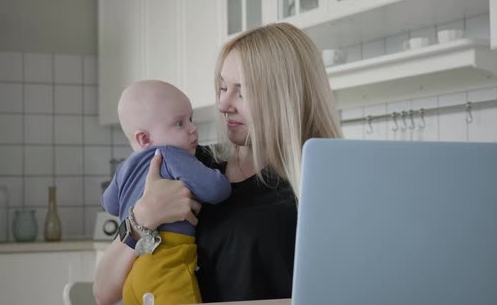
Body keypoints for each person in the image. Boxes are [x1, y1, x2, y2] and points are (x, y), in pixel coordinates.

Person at [93, 22, 342, 305]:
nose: (223, 104)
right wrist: (142, 216)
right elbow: (103, 293)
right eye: (223, 87)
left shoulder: (321, 183)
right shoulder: (188, 162)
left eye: (241, 91)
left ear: (285, 95)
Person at [101, 80, 231, 304]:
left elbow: (110, 204)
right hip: (164, 264)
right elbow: (216, 190)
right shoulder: (172, 155)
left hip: (131, 271)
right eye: (179, 123)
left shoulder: (124, 167)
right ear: (144, 138)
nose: (192, 128)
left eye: (191, 119)